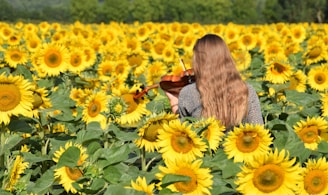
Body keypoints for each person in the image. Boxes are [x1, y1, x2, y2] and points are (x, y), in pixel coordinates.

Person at [165, 34, 263, 130]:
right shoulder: (246, 90)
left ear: (197, 61)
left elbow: (184, 133)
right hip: (239, 145)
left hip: (204, 146)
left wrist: (174, 102)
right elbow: (258, 130)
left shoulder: (188, 93)